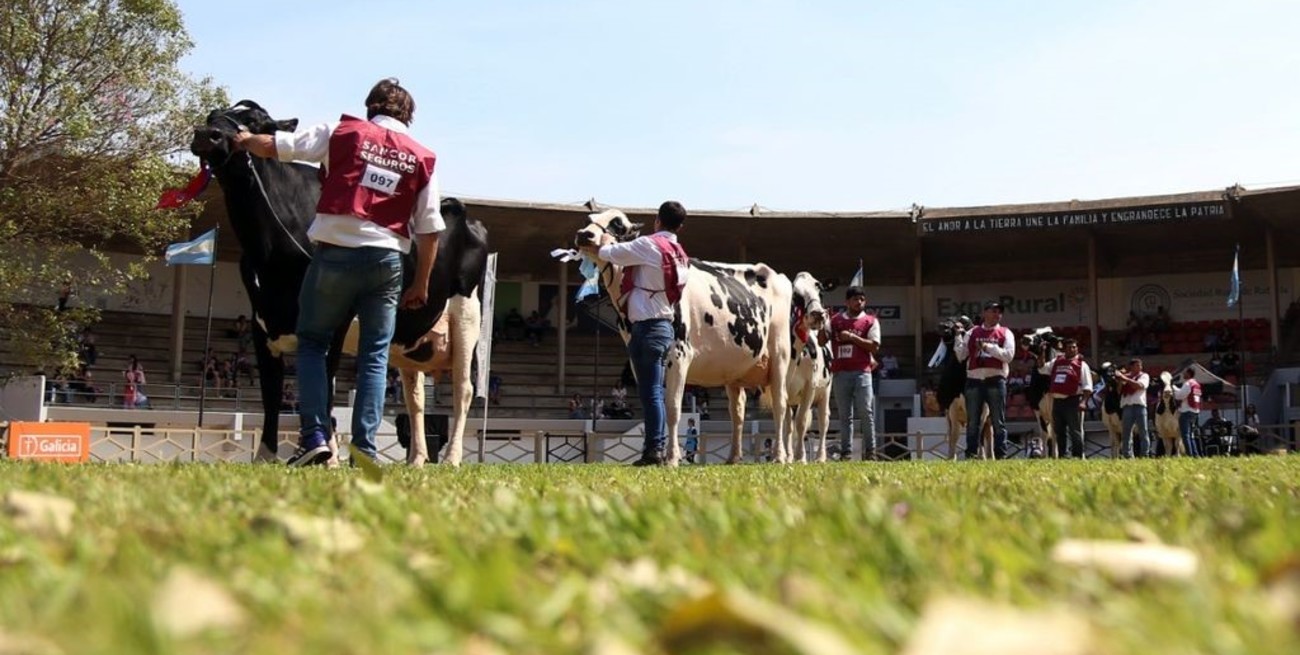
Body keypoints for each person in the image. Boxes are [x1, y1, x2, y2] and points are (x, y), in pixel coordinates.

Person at [234, 78, 443, 466]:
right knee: (375, 356)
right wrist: (421, 283)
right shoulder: (423, 156)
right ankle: (364, 450)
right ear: (409, 116)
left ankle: (315, 436)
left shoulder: (340, 132)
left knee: (313, 342)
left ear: (370, 107)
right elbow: (430, 231)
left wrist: (243, 138)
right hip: (387, 262)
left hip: (334, 254)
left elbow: (276, 147)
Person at [581, 200, 689, 466]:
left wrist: (603, 241)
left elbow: (610, 254)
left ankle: (655, 451)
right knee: (649, 392)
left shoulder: (649, 244)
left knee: (651, 392)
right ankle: (653, 449)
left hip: (647, 327)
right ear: (680, 226)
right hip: (662, 325)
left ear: (657, 221)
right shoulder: (679, 252)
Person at [954, 301, 1015, 460]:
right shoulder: (972, 332)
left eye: (999, 312)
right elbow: (961, 355)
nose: (997, 314)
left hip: (995, 379)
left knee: (998, 421)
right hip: (974, 380)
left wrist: (988, 347)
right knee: (973, 421)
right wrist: (957, 336)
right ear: (985, 313)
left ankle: (1001, 454)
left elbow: (1009, 356)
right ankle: (971, 453)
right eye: (993, 311)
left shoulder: (1005, 332)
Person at [830, 286, 880, 460]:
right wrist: (822, 325)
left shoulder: (870, 320)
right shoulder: (835, 320)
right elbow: (822, 341)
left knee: (866, 412)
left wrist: (852, 337)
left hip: (862, 371)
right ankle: (846, 452)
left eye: (862, 299)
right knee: (845, 416)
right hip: (840, 372)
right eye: (855, 299)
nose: (859, 302)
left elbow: (874, 346)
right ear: (847, 302)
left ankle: (871, 452)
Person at [1047, 338, 1092, 458]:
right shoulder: (1056, 362)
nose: (1072, 349)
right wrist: (1040, 354)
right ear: (1064, 349)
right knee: (1059, 430)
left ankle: (1077, 455)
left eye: (1074, 347)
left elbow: (1087, 386)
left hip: (1072, 400)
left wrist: (1083, 402)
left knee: (1075, 430)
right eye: (1069, 347)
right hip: (1057, 400)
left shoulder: (1082, 365)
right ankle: (1062, 455)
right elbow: (1043, 368)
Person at [1114, 358, 1151, 458]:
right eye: (1137, 365)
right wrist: (1119, 381)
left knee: (1143, 431)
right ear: (1131, 367)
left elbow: (1140, 386)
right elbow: (1119, 391)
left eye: (1140, 365)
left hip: (1140, 405)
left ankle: (1145, 454)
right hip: (1127, 406)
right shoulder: (1125, 377)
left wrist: (1124, 378)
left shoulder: (1144, 375)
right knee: (1126, 432)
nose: (1140, 367)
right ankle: (1127, 454)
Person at [1172, 368, 1203, 457]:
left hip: (1186, 411)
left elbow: (1179, 396)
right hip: (1195, 411)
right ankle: (1195, 454)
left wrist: (1173, 388)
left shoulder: (1187, 383)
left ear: (1189, 374)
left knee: (1185, 435)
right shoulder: (1196, 384)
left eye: (1185, 373)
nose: (1183, 374)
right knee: (1191, 435)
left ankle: (1190, 455)